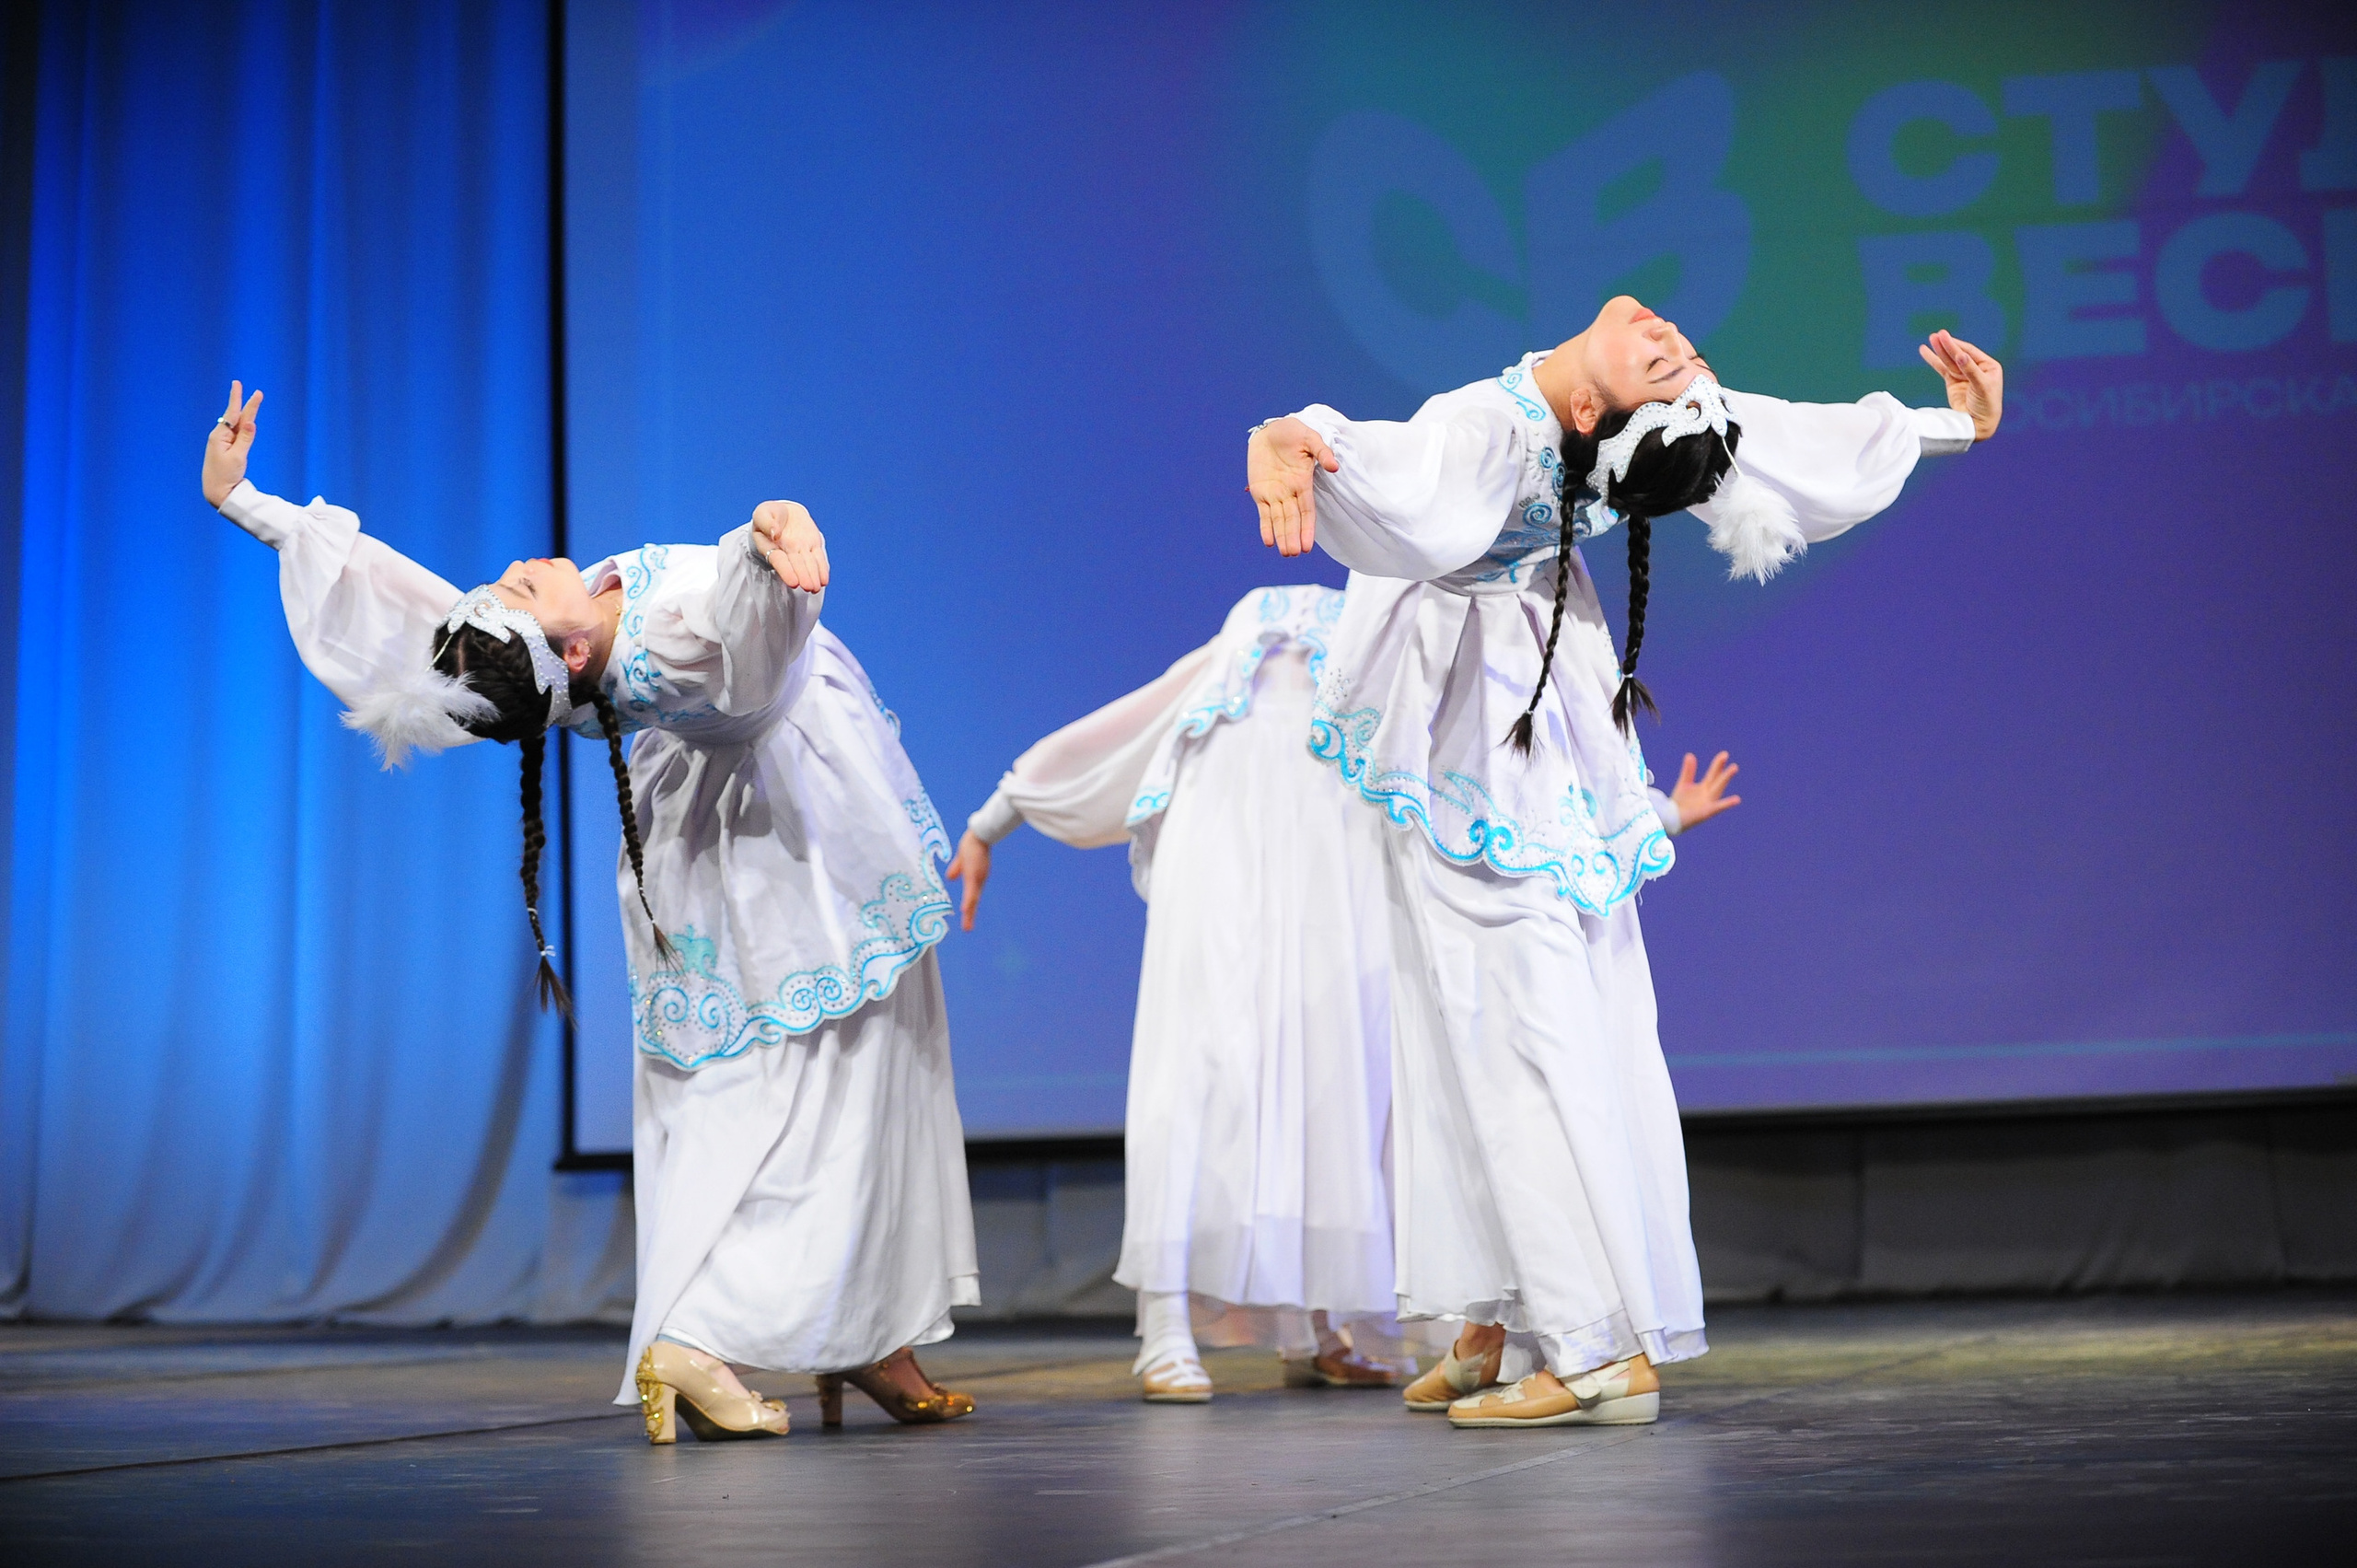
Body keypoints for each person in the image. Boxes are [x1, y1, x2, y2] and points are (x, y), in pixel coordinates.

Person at [1246, 300, 2001, 1429]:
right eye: (1683, 352)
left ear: (1591, 410)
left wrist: (1289, 435)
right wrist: (1957, 430)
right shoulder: (1589, 432)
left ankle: (1595, 1347)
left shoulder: (1494, 428)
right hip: (1540, 741)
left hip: (1485, 747)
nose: (1676, 341)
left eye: (1671, 365)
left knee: (1512, 1051)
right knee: (1513, 1038)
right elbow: (1785, 435)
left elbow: (1401, 472)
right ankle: (1497, 1317)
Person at [201, 382, 979, 1445]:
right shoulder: (685, 647)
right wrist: (772, 534)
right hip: (787, 849)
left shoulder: (557, 647)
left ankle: (857, 1334)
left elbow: (407, 606)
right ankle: (704, 1335)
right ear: (569, 654)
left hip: (716, 839)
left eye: (506, 580)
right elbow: (754, 632)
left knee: (798, 1083)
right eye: (520, 589)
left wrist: (248, 502)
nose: (519, 567)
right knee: (832, 1084)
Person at [945, 586, 1745, 1404]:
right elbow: (1124, 730)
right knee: (1200, 1074)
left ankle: (1331, 1329)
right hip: (1228, 874)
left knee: (1347, 1086)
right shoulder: (1261, 626)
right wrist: (989, 820)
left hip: (1343, 876)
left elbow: (1501, 767)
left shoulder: (1419, 611)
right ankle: (1165, 1331)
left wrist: (1654, 812)